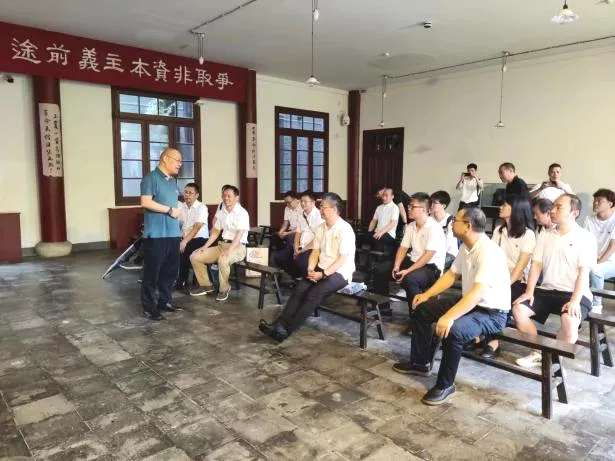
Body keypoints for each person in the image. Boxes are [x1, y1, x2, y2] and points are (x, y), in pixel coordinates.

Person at [392, 207, 510, 405]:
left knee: (453, 330)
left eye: (456, 220)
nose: (452, 223)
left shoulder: (489, 252)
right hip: (470, 302)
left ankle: (445, 385)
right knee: (422, 309)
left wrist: (448, 317)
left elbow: (477, 293)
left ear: (468, 226)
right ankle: (420, 363)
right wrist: (426, 295)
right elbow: (451, 274)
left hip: (491, 313)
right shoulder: (467, 246)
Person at [513, 194, 597, 368]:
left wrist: (574, 301)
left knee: (570, 322)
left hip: (574, 293)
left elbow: (584, 272)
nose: (552, 210)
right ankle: (537, 352)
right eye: (553, 206)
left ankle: (555, 361)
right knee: (519, 310)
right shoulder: (545, 235)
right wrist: (529, 292)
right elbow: (536, 265)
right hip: (548, 290)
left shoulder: (586, 237)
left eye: (559, 207)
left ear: (574, 213)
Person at [258, 192, 355, 342]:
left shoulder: (345, 229)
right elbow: (315, 251)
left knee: (313, 294)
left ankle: (287, 330)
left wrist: (323, 274)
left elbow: (343, 259)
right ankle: (279, 324)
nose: (320, 209)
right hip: (321, 268)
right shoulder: (322, 227)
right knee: (300, 289)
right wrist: (311, 268)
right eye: (320, 206)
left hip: (340, 273)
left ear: (334, 209)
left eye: (323, 206)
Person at [373, 193, 445, 328]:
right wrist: (396, 266)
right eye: (409, 206)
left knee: (410, 279)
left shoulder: (434, 228)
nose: (408, 209)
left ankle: (417, 318)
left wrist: (407, 271)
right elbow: (403, 248)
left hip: (431, 267)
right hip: (413, 261)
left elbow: (427, 256)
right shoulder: (411, 226)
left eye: (412, 207)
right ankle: (383, 308)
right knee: (380, 270)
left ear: (424, 209)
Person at [480, 195, 536, 358]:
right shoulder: (499, 230)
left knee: (496, 299)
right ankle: (478, 336)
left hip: (517, 282)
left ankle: (493, 342)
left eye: (504, 205)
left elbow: (520, 267)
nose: (500, 207)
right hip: (497, 278)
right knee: (477, 292)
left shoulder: (528, 234)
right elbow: (489, 256)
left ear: (516, 209)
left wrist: (502, 285)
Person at [139, 148, 183, 321]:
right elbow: (145, 201)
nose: (180, 164)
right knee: (152, 273)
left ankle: (165, 301)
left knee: (170, 272)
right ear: (165, 158)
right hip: (156, 236)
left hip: (173, 234)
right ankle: (149, 307)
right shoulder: (150, 178)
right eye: (177, 160)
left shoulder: (173, 181)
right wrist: (169, 210)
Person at [189, 185, 250, 302]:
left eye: (229, 196)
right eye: (224, 195)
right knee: (195, 256)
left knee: (223, 259)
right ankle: (206, 285)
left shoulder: (242, 213)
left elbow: (239, 235)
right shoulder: (222, 212)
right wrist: (204, 247)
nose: (226, 198)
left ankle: (224, 288)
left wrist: (229, 251)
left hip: (237, 247)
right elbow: (216, 231)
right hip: (222, 245)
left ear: (236, 198)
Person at [584, 188, 615, 314]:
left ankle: (597, 305)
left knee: (595, 270)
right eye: (594, 200)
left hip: (611, 260)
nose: (595, 203)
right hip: (594, 258)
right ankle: (582, 302)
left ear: (610, 204)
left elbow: (612, 247)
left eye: (599, 200)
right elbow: (585, 243)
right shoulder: (589, 219)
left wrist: (598, 262)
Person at [176, 183, 210, 290]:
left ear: (197, 195)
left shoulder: (202, 207)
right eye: (186, 192)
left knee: (185, 249)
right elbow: (179, 223)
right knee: (170, 246)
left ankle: (183, 280)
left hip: (200, 238)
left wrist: (184, 241)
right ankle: (177, 278)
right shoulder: (182, 206)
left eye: (191, 193)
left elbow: (197, 227)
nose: (187, 195)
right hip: (186, 238)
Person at [287, 190, 324, 278]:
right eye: (301, 201)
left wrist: (301, 251)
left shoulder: (319, 216)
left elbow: (318, 239)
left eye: (305, 201)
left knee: (301, 262)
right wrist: (296, 249)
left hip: (313, 248)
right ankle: (298, 278)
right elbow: (298, 233)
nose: (302, 203)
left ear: (313, 203)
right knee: (284, 258)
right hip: (301, 247)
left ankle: (307, 280)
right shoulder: (301, 215)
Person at [429, 190, 458, 271]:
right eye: (430, 202)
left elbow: (448, 244)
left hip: (448, 253)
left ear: (443, 206)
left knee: (433, 266)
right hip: (431, 252)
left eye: (434, 203)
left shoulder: (450, 221)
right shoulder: (429, 219)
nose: (431, 205)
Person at [366, 187, 399, 251]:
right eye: (383, 195)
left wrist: (381, 233)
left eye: (386, 195)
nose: (383, 198)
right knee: (363, 238)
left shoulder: (395, 208)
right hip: (377, 232)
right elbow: (374, 221)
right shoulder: (379, 207)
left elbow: (393, 223)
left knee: (377, 240)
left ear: (392, 196)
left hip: (389, 234)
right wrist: (369, 232)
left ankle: (377, 257)